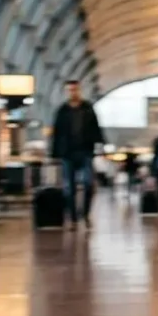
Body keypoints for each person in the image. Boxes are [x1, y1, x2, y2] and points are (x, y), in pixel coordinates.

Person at [51, 80, 105, 231]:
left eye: (75, 90)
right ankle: (73, 218)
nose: (72, 93)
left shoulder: (88, 108)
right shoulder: (62, 110)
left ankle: (85, 214)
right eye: (70, 90)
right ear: (66, 92)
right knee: (69, 188)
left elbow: (96, 128)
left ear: (79, 90)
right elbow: (56, 133)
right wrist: (54, 154)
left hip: (86, 151)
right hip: (67, 153)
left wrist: (100, 145)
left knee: (88, 184)